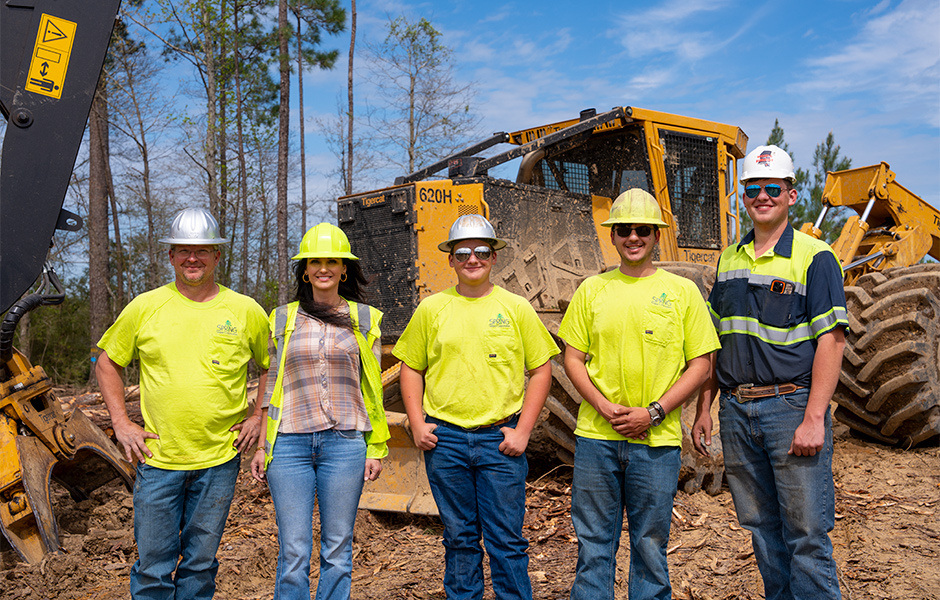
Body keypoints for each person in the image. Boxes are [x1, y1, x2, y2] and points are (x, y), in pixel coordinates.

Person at [692, 145, 847, 600]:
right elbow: (714, 343)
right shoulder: (729, 260)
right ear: (743, 196)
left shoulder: (814, 257)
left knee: (806, 535)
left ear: (791, 195)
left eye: (772, 189)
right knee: (761, 530)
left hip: (790, 408)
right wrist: (706, 409)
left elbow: (831, 341)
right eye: (753, 189)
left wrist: (814, 416)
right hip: (738, 413)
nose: (762, 196)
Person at [97, 207, 270, 600]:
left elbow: (271, 364)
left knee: (200, 564)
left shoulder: (244, 310)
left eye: (202, 250)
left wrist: (258, 416)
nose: (193, 258)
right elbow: (108, 361)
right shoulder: (146, 307)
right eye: (183, 250)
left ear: (217, 256)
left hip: (220, 459)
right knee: (154, 566)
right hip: (159, 459)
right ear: (170, 256)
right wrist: (122, 423)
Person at [558, 189, 720, 600]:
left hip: (657, 440)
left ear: (656, 235)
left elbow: (701, 362)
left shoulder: (682, 292)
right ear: (613, 236)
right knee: (594, 546)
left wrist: (654, 412)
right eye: (625, 230)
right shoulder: (591, 290)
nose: (634, 237)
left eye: (642, 230)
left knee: (649, 545)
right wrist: (603, 405)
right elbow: (572, 357)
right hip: (598, 438)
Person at [392, 214, 559, 600]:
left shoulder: (516, 308)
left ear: (494, 257)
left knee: (506, 540)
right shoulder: (432, 309)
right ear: (451, 258)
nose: (472, 259)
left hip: (499, 441)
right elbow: (411, 367)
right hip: (445, 440)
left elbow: (541, 370)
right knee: (460, 538)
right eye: (463, 252)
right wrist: (417, 423)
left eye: (481, 251)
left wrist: (524, 430)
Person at [250, 223, 389, 600]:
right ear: (305, 269)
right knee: (293, 550)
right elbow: (272, 385)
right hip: (290, 446)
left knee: (338, 549)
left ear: (345, 269)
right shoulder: (282, 318)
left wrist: (376, 446)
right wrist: (263, 445)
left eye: (333, 261)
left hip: (345, 445)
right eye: (315, 261)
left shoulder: (366, 318)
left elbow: (372, 389)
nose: (323, 268)